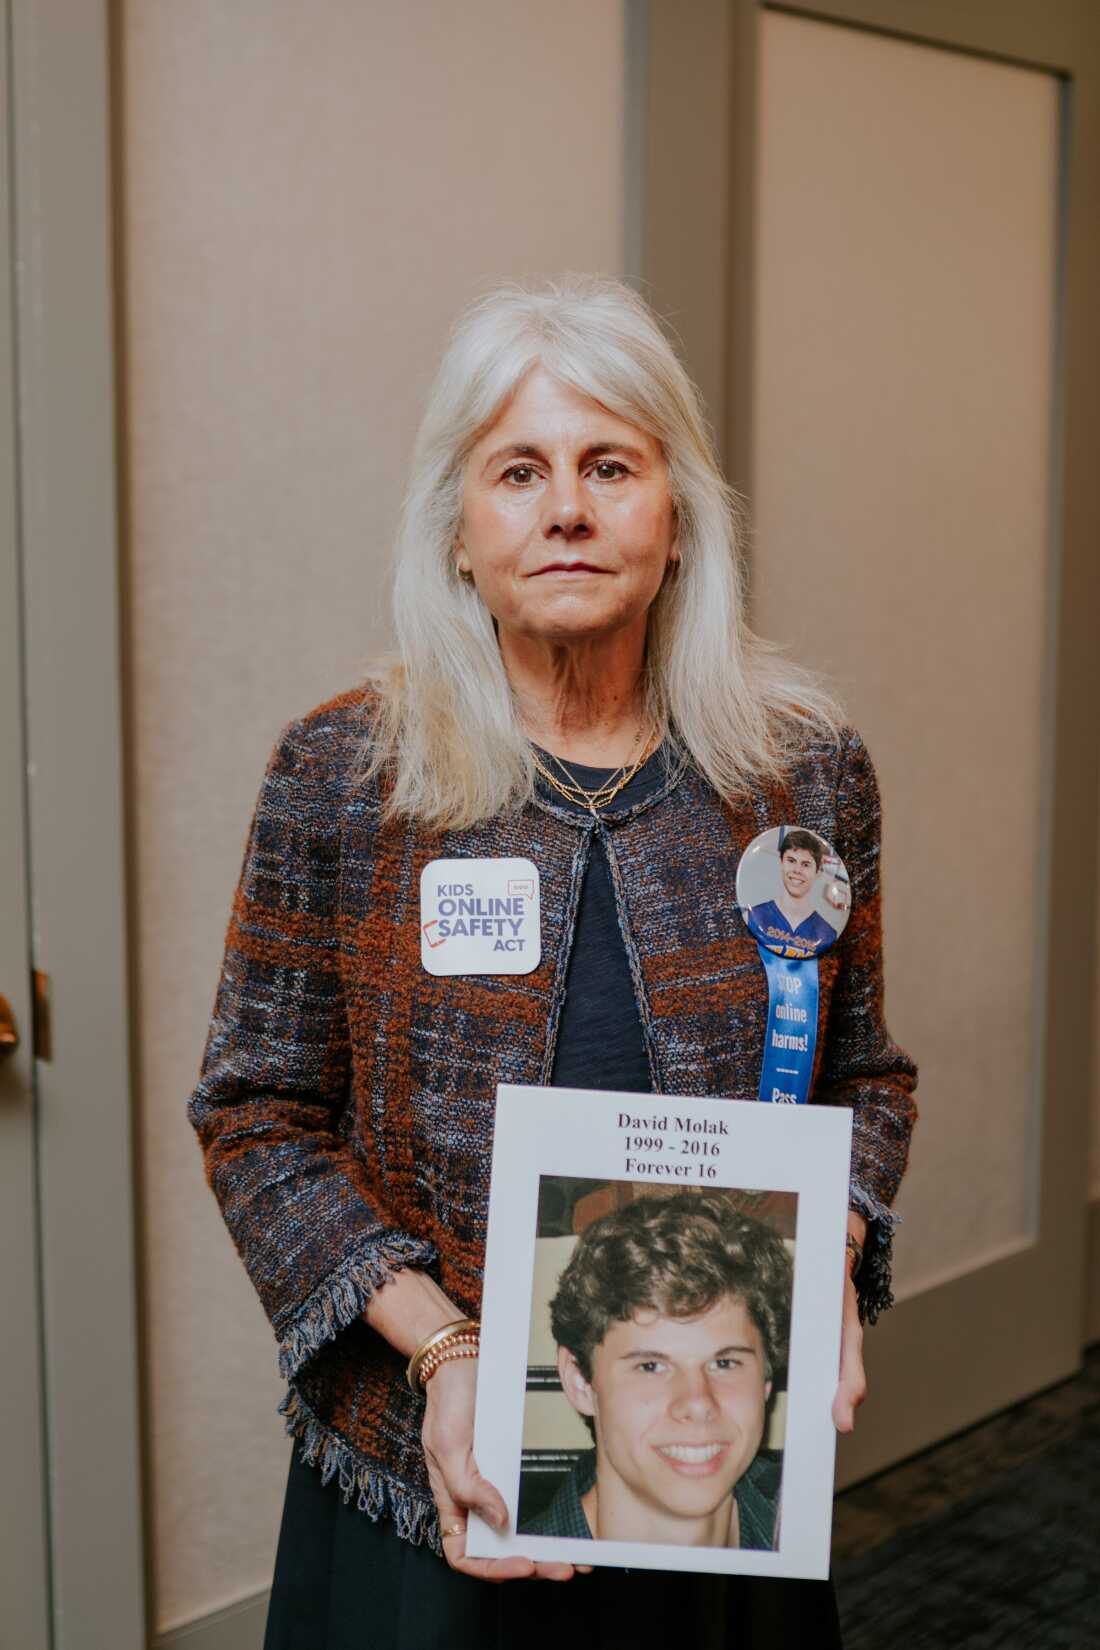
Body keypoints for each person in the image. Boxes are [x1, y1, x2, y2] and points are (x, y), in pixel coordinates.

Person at [188, 274, 917, 1649]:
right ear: (458, 531)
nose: (566, 508)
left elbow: (867, 1076)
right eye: (518, 470)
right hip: (421, 1467)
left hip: (714, 1465)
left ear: (677, 515)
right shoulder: (343, 776)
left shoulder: (801, 773)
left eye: (610, 465)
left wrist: (828, 1248)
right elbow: (255, 1116)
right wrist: (449, 1352)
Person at [521, 1192, 791, 1550]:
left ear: (765, 1383)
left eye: (725, 1363)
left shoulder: (799, 1521)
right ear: (580, 1382)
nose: (698, 1403)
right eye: (651, 1366)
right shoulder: (504, 1592)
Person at [747, 828, 839, 958]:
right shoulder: (753, 915)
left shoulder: (827, 934)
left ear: (817, 872)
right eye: (791, 860)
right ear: (781, 863)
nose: (797, 870)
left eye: (806, 864)